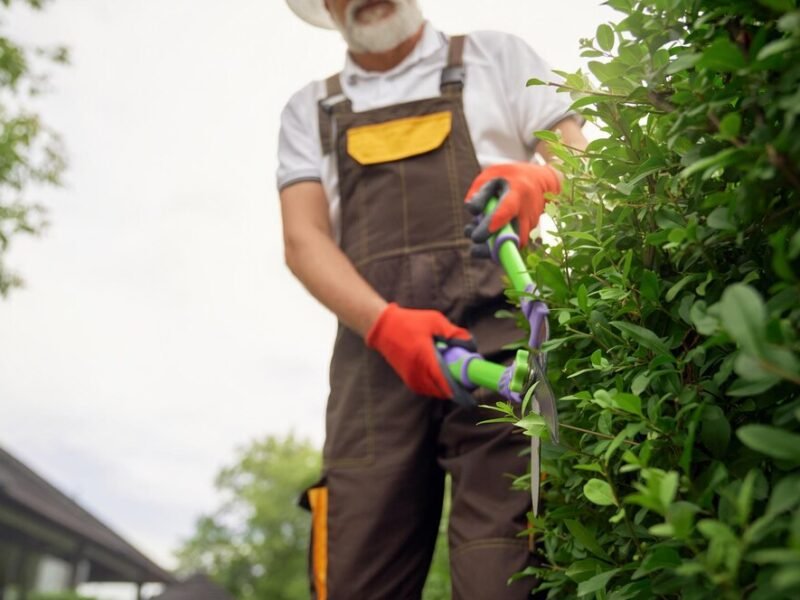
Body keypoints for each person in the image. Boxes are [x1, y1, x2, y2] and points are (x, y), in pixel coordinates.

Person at [278, 1, 587, 597]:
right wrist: (385, 325)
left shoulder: (498, 58)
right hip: (376, 362)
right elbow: (303, 239)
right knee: (357, 576)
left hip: (503, 344)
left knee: (510, 574)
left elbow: (589, 167)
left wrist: (544, 179)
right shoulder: (309, 110)